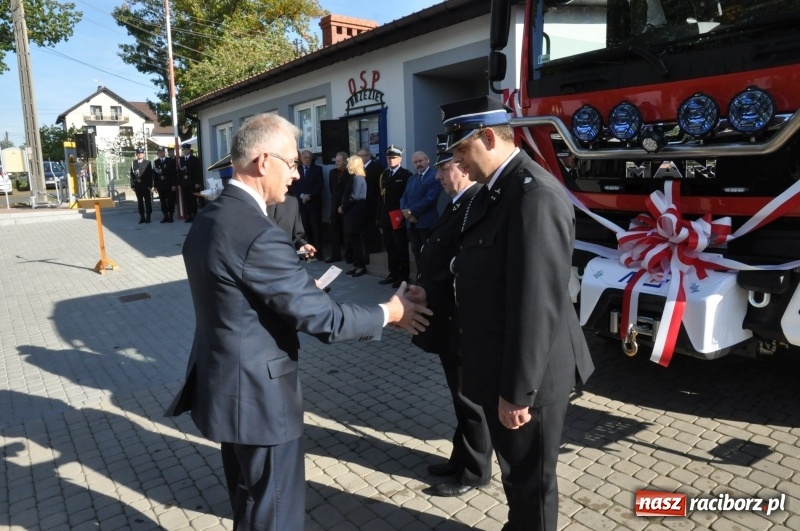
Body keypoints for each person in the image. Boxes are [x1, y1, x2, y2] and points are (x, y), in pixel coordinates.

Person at [165, 113, 432, 531]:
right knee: (275, 513)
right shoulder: (257, 231)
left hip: (227, 387)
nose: (295, 174)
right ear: (263, 161)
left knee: (250, 504)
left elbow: (237, 291)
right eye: (291, 163)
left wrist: (296, 287)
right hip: (259, 399)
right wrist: (389, 312)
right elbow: (323, 319)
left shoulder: (212, 216)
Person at [438, 96, 594, 531]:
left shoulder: (533, 195)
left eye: (461, 150)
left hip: (530, 376)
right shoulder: (499, 190)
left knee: (531, 483)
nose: (457, 163)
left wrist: (518, 391)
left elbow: (536, 304)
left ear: (489, 137)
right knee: (516, 478)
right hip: (502, 364)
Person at [412, 135, 492, 497]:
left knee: (470, 400)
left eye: (444, 169)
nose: (439, 177)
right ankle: (461, 458)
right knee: (460, 397)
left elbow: (464, 268)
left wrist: (429, 290)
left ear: (463, 168)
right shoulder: (458, 204)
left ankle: (475, 472)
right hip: (446, 317)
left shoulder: (474, 204)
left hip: (461, 321)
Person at [400, 151, 442, 273]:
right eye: (415, 162)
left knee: (428, 253)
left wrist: (411, 212)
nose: (418, 164)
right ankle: (420, 277)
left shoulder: (434, 176)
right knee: (416, 251)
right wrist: (406, 213)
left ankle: (429, 278)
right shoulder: (412, 178)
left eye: (420, 161)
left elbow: (430, 199)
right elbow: (404, 197)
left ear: (427, 160)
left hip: (426, 222)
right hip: (412, 224)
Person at [378, 145, 412, 288]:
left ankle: (403, 276)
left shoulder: (406, 175)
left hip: (398, 215)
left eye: (393, 158)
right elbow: (382, 198)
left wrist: (405, 215)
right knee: (390, 247)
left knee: (401, 247)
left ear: (400, 159)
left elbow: (408, 197)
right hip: (386, 216)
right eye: (388, 158)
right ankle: (393, 273)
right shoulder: (385, 175)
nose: (390, 160)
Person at [339, 155, 368, 277]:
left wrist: (343, 207)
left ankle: (361, 266)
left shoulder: (357, 178)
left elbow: (354, 196)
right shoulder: (354, 177)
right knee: (352, 240)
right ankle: (356, 264)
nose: (347, 165)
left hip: (354, 214)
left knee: (355, 241)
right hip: (351, 214)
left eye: (349, 163)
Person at [292, 150, 324, 254]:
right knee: (304, 228)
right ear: (301, 159)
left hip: (314, 204)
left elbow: (319, 185)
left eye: (309, 158)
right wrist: (302, 196)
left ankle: (318, 252)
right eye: (305, 158)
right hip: (301, 204)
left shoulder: (317, 169)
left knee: (316, 228)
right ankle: (306, 251)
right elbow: (293, 186)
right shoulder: (296, 169)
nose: (307, 160)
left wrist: (309, 196)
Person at [357, 147, 384, 255]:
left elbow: (378, 187)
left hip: (373, 203)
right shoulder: (359, 168)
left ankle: (374, 251)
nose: (359, 158)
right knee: (365, 230)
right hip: (362, 204)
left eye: (361, 156)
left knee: (372, 229)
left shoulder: (376, 167)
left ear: (368, 156)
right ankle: (367, 252)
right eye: (358, 156)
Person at [326, 152, 350, 263]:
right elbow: (332, 189)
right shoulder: (332, 173)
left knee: (346, 232)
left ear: (345, 162)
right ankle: (335, 255)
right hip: (335, 206)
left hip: (346, 206)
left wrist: (344, 205)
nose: (336, 163)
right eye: (335, 161)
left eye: (339, 161)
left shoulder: (349, 173)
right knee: (334, 231)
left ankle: (349, 255)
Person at [179, 143, 203, 222]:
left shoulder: (194, 159)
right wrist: (180, 182)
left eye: (186, 149)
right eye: (184, 150)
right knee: (186, 199)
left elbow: (198, 171)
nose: (185, 151)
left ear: (189, 150)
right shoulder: (181, 160)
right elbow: (179, 172)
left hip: (192, 181)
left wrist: (197, 182)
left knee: (193, 199)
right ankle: (188, 215)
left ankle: (194, 214)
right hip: (184, 182)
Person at [130, 147, 153, 224]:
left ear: (143, 154)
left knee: (147, 201)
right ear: (136, 154)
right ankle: (142, 217)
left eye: (141, 153)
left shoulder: (147, 163)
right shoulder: (133, 163)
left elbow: (150, 175)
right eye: (138, 153)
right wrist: (132, 185)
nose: (140, 154)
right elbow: (132, 175)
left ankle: (148, 216)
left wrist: (150, 185)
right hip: (137, 185)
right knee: (140, 202)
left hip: (145, 185)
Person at [153, 147, 176, 223]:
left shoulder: (170, 161)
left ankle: (171, 216)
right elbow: (155, 175)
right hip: (160, 184)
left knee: (170, 201)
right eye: (159, 152)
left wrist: (173, 184)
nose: (160, 153)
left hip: (168, 184)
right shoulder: (156, 162)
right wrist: (155, 186)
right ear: (158, 153)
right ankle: (165, 216)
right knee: (162, 201)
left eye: (162, 152)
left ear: (164, 152)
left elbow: (173, 173)